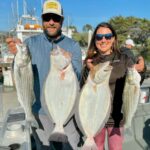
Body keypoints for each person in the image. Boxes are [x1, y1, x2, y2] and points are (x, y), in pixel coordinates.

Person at [6, 0, 82, 149]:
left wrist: (69, 64)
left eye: (56, 18)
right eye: (47, 18)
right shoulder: (30, 44)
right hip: (39, 113)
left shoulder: (73, 46)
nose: (51, 22)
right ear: (42, 20)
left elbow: (78, 76)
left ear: (62, 20)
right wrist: (16, 55)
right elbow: (20, 75)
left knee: (70, 147)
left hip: (66, 112)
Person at [80, 22, 136, 150]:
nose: (103, 40)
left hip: (116, 115)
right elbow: (83, 87)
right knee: (97, 146)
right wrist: (89, 70)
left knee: (115, 148)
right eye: (99, 37)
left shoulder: (124, 58)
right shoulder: (90, 61)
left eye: (107, 36)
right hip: (95, 114)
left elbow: (136, 79)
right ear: (95, 40)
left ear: (114, 38)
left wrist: (142, 69)